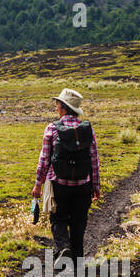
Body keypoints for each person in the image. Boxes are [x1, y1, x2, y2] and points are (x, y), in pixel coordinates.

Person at [32, 88, 100, 263]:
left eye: (57, 105)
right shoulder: (86, 129)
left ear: (63, 107)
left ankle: (63, 249)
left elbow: (44, 158)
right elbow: (94, 158)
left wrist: (38, 183)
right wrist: (95, 185)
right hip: (82, 183)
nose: (56, 108)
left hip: (59, 183)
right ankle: (77, 257)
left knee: (58, 218)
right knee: (79, 221)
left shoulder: (52, 128)